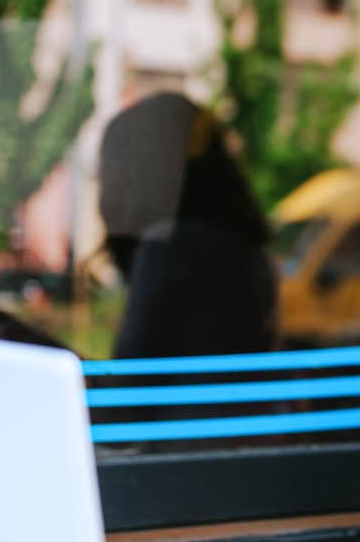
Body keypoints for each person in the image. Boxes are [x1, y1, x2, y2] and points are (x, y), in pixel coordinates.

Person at [98, 92, 277, 358]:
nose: (106, 197)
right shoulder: (248, 252)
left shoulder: (171, 249)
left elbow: (132, 379)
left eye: (115, 177)